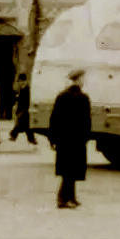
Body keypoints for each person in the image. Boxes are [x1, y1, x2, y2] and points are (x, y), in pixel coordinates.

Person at [48, 68, 91, 209]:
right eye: (83, 79)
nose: (84, 81)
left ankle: (71, 197)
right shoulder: (83, 98)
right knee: (71, 171)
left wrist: (52, 139)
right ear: (78, 80)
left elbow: (54, 119)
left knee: (67, 169)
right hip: (77, 140)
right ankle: (63, 199)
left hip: (63, 140)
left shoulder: (61, 96)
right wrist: (86, 137)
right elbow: (87, 121)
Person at [9, 73, 35, 145]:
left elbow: (26, 101)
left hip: (24, 110)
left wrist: (22, 110)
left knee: (20, 124)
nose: (19, 83)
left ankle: (13, 135)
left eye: (19, 81)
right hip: (22, 110)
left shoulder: (26, 89)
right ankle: (31, 139)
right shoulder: (22, 88)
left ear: (23, 81)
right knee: (26, 126)